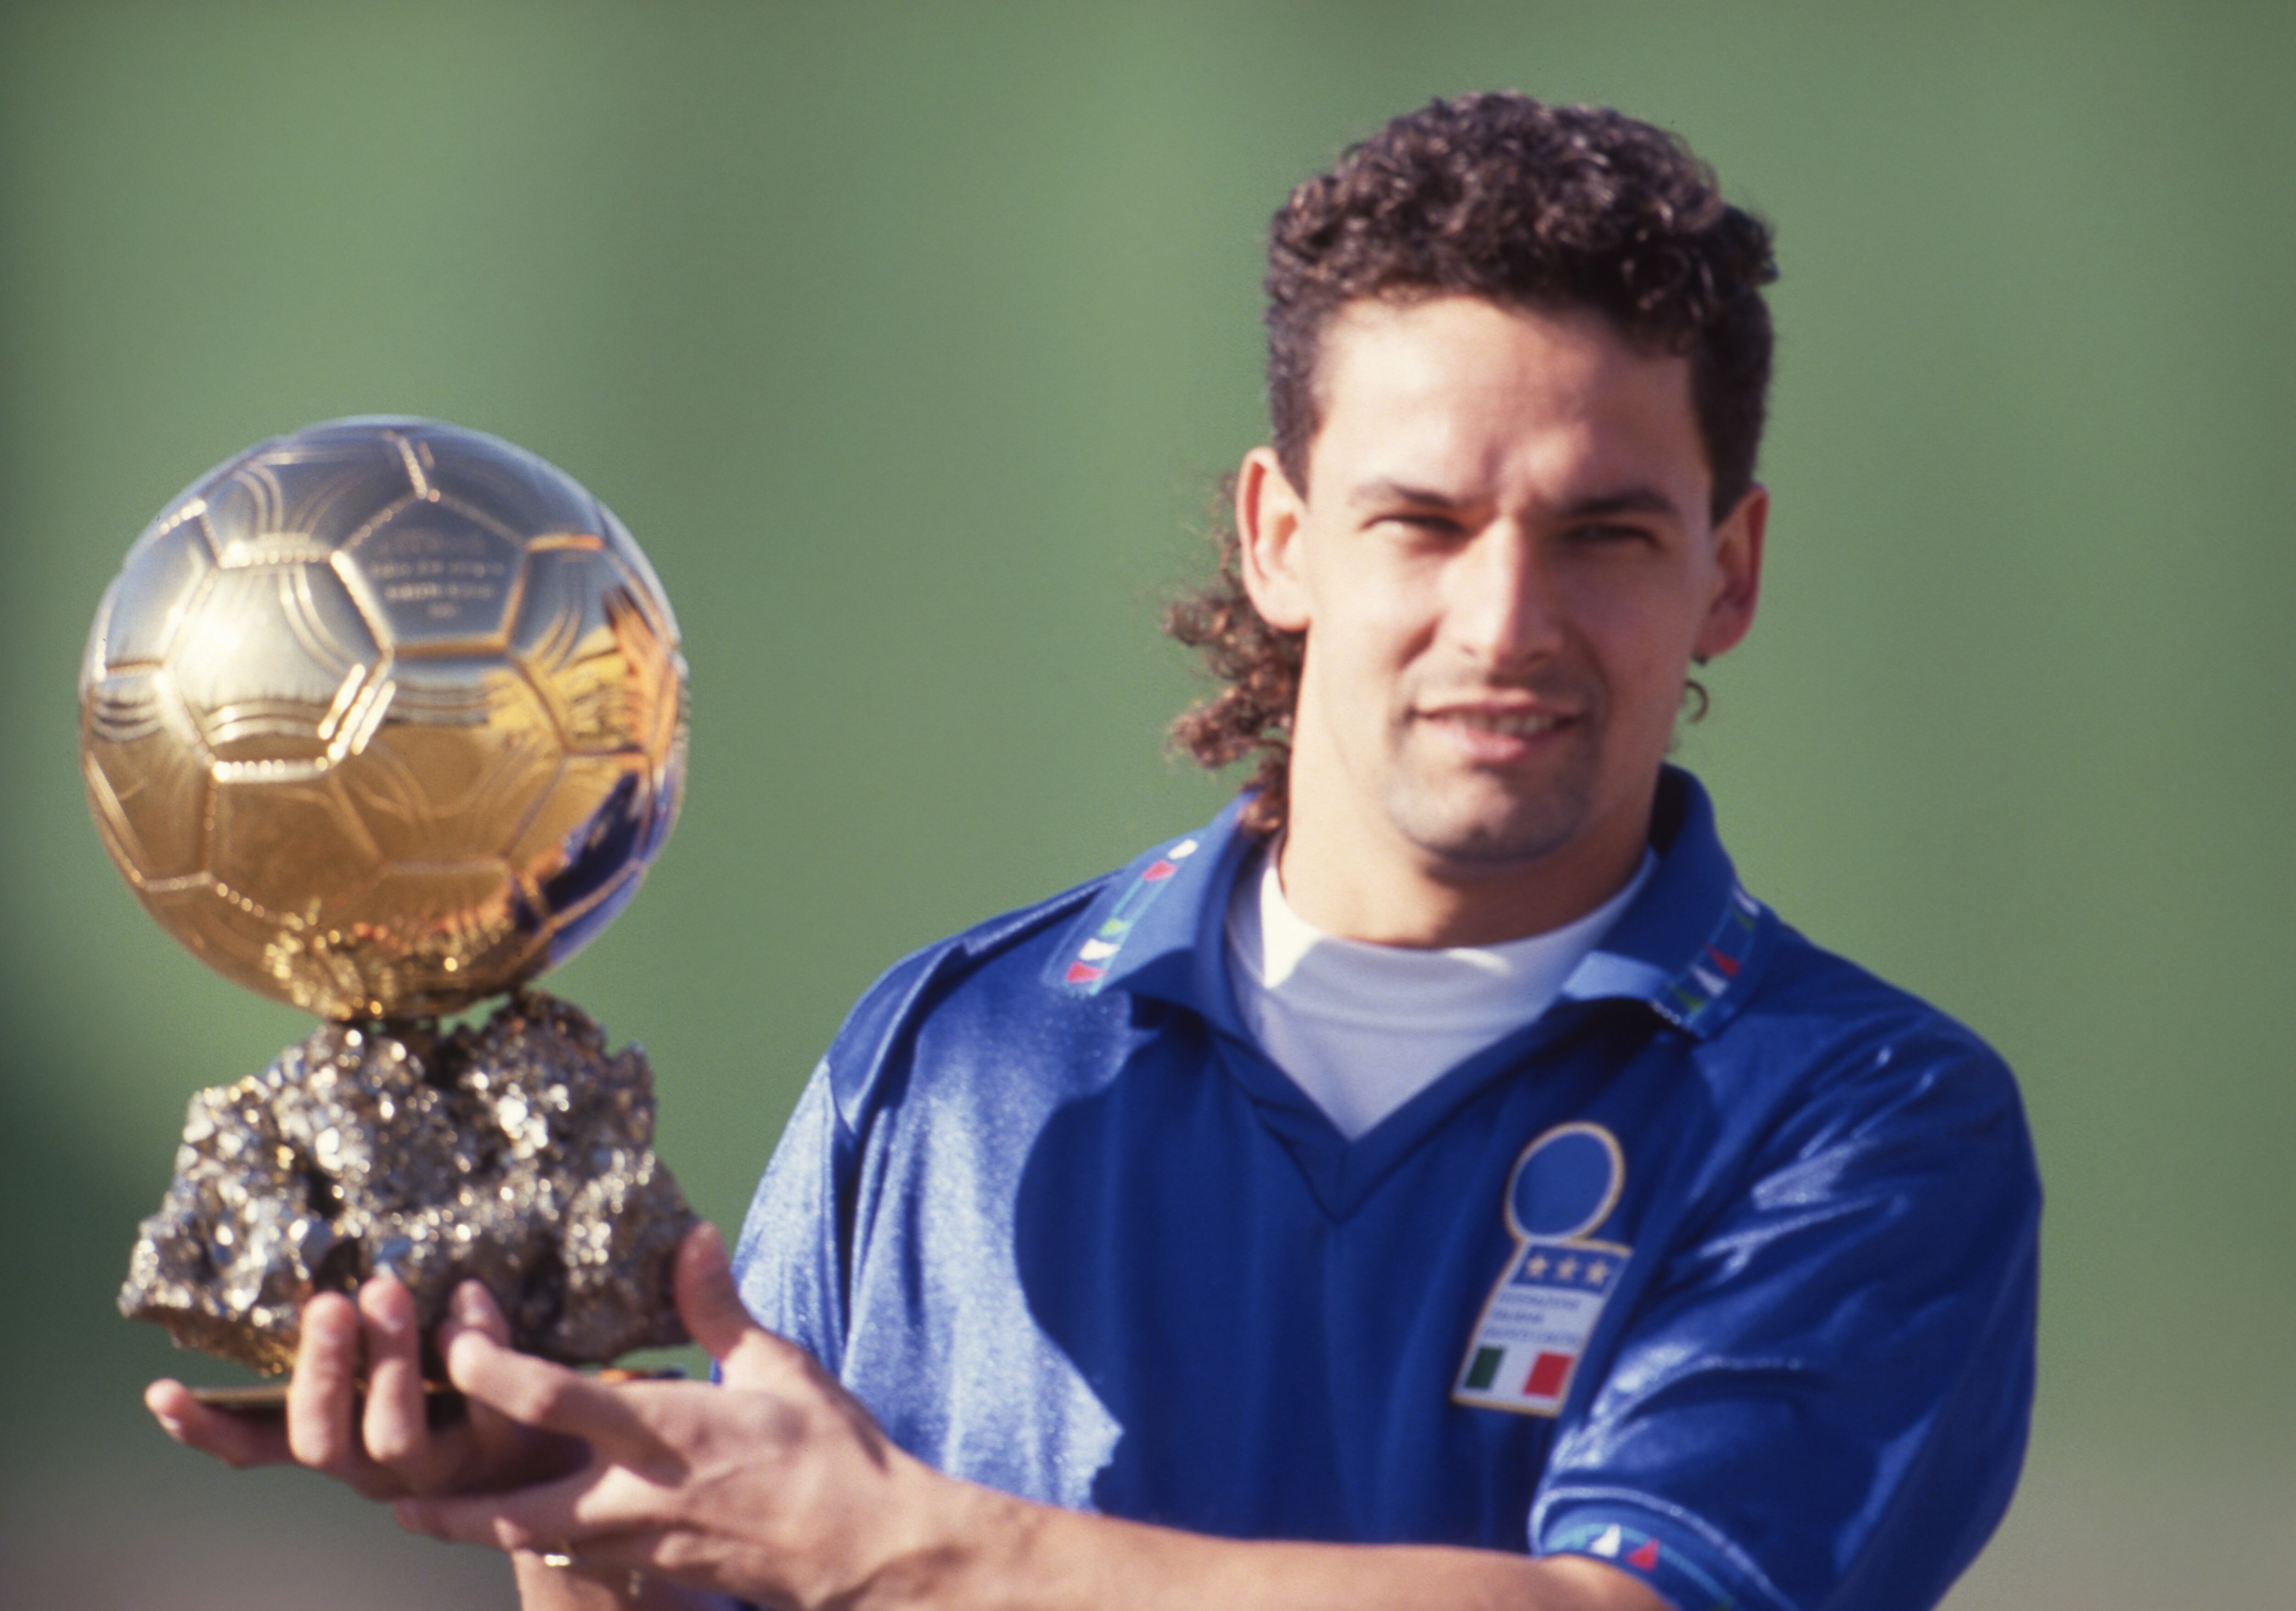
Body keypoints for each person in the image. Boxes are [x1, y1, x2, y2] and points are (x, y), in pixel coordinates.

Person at [147, 93, 2039, 1611]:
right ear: (1279, 535)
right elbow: (753, 1578)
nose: (1503, 617)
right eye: (1420, 519)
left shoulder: (1861, 1120)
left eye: (1603, 534)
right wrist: (566, 1503)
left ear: (1729, 568)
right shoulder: (957, 1053)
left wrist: (902, 1551)